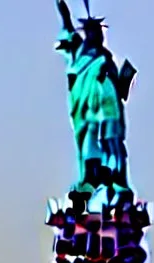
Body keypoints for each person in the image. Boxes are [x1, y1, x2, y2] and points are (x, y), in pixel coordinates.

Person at [54, 0, 136, 193]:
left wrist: (123, 80)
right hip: (85, 108)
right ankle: (91, 180)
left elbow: (119, 90)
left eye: (100, 32)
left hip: (108, 109)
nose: (98, 36)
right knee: (89, 142)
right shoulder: (78, 51)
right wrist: (62, 7)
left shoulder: (106, 58)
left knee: (112, 143)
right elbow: (66, 23)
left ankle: (114, 179)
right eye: (94, 32)